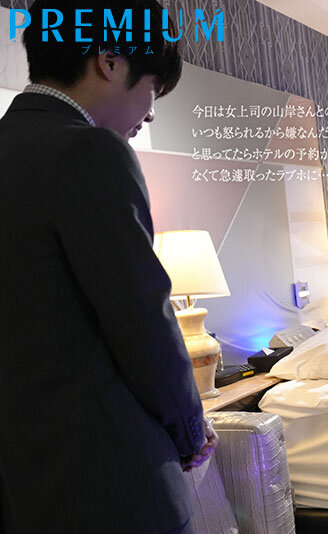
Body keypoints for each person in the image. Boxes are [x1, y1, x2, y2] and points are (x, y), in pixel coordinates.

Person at [0, 1, 218, 532]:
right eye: (153, 89)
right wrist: (191, 429)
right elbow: (142, 320)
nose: (149, 113)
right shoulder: (90, 151)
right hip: (110, 477)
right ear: (110, 60)